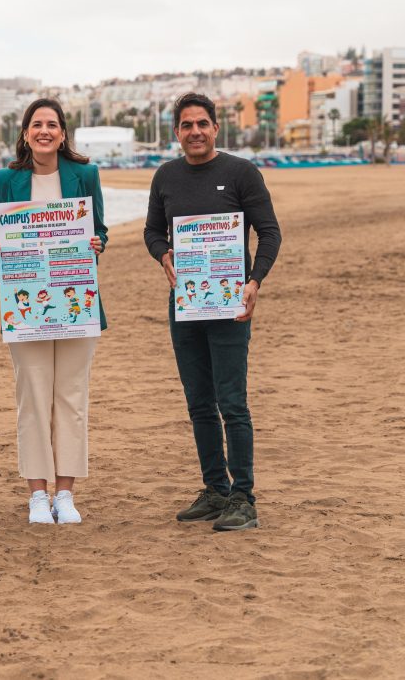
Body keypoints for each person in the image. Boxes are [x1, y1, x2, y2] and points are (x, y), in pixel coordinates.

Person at [143, 93, 282, 531]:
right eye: (187, 125)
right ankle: (215, 490)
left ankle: (243, 498)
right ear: (177, 133)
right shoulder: (166, 176)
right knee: (199, 404)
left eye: (202, 123)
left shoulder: (241, 172)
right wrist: (163, 253)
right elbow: (151, 230)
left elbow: (270, 232)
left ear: (216, 128)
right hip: (184, 304)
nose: (195, 131)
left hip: (230, 305)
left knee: (232, 403)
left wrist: (255, 281)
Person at [0, 98, 107, 525]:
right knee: (33, 399)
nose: (44, 131)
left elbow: (100, 229)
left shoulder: (86, 175)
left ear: (62, 133)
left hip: (76, 304)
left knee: (71, 400)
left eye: (52, 125)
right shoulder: (6, 178)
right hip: (25, 308)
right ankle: (37, 493)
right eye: (36, 124)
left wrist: (97, 243)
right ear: (25, 133)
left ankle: (66, 493)